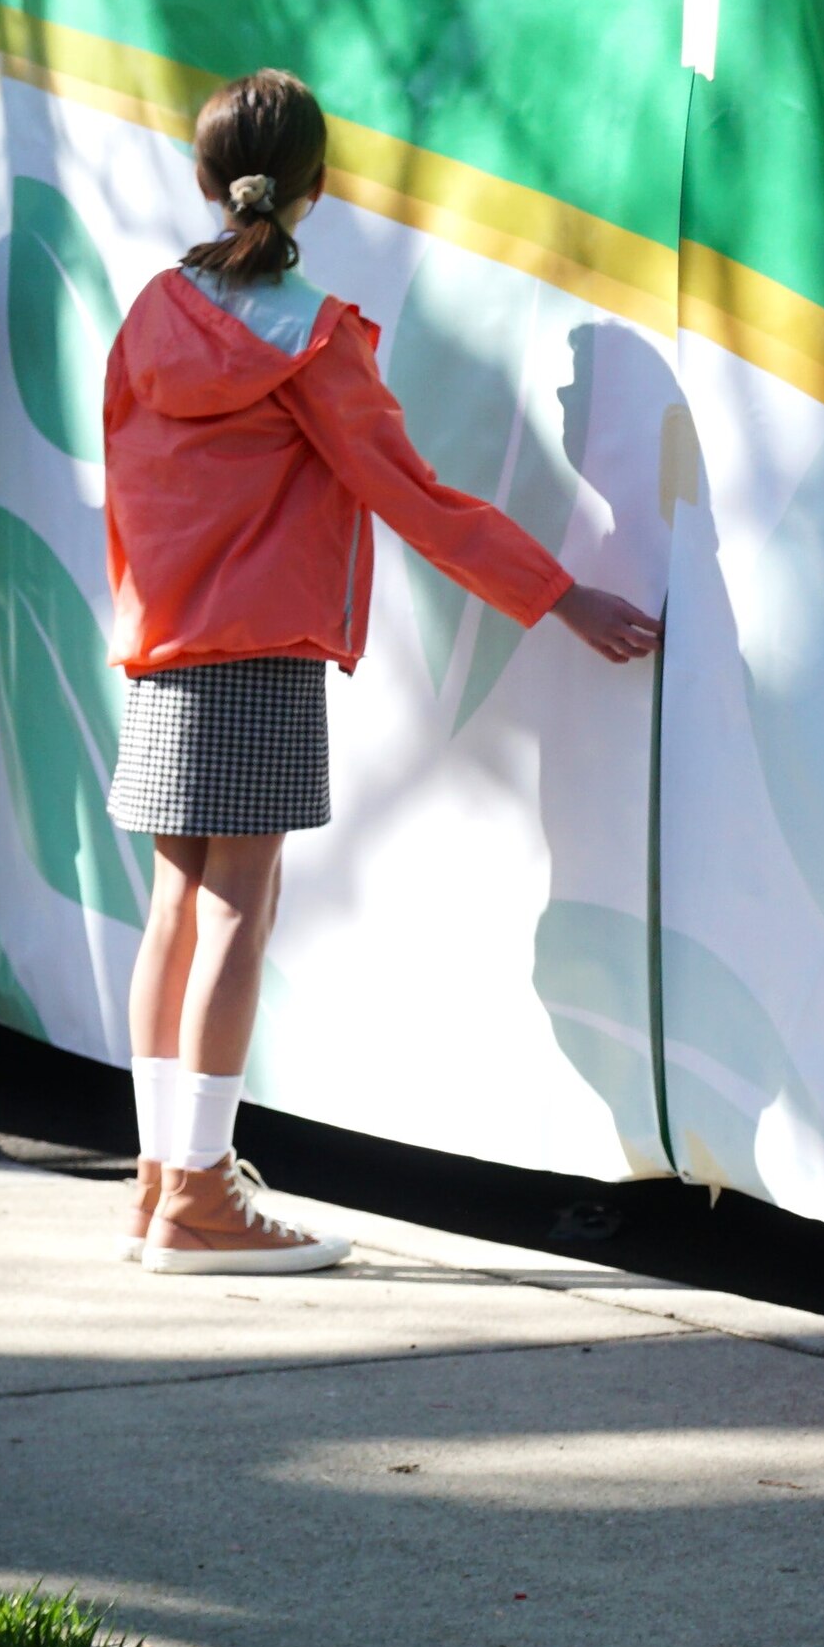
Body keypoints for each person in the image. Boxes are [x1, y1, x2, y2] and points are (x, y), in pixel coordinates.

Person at [99, 68, 660, 1273]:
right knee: (240, 906)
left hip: (163, 642)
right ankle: (198, 1194)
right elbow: (411, 495)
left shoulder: (150, 311)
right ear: (321, 186)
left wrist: (147, 618)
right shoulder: (312, 336)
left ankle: (159, 1180)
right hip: (257, 646)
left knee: (174, 906)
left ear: (204, 180)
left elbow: (127, 480)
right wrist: (558, 594)